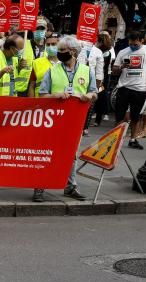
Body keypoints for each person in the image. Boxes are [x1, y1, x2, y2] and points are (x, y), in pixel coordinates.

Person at [32, 35, 97, 202]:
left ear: (73, 52)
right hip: (53, 120)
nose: (59, 53)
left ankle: (70, 186)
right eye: (59, 50)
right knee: (47, 153)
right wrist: (56, 95)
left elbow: (94, 92)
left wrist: (88, 95)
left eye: (62, 50)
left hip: (74, 121)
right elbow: (42, 95)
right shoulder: (52, 70)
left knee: (72, 154)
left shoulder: (86, 70)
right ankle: (39, 187)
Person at [112, 31, 146, 149]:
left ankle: (132, 139)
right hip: (124, 87)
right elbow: (114, 70)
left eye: (136, 44)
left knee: (135, 116)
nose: (133, 46)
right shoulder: (123, 52)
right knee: (119, 115)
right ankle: (116, 139)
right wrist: (122, 67)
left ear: (142, 41)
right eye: (131, 43)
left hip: (140, 89)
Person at [27, 33, 59, 97]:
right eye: (48, 45)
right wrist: (31, 104)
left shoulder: (65, 63)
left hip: (59, 102)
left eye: (53, 44)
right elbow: (32, 86)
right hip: (40, 102)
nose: (50, 47)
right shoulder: (37, 63)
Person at [93, 32, 114, 126]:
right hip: (101, 78)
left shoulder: (104, 53)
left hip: (101, 79)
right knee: (99, 96)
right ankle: (97, 118)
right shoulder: (104, 52)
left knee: (100, 97)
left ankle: (98, 118)